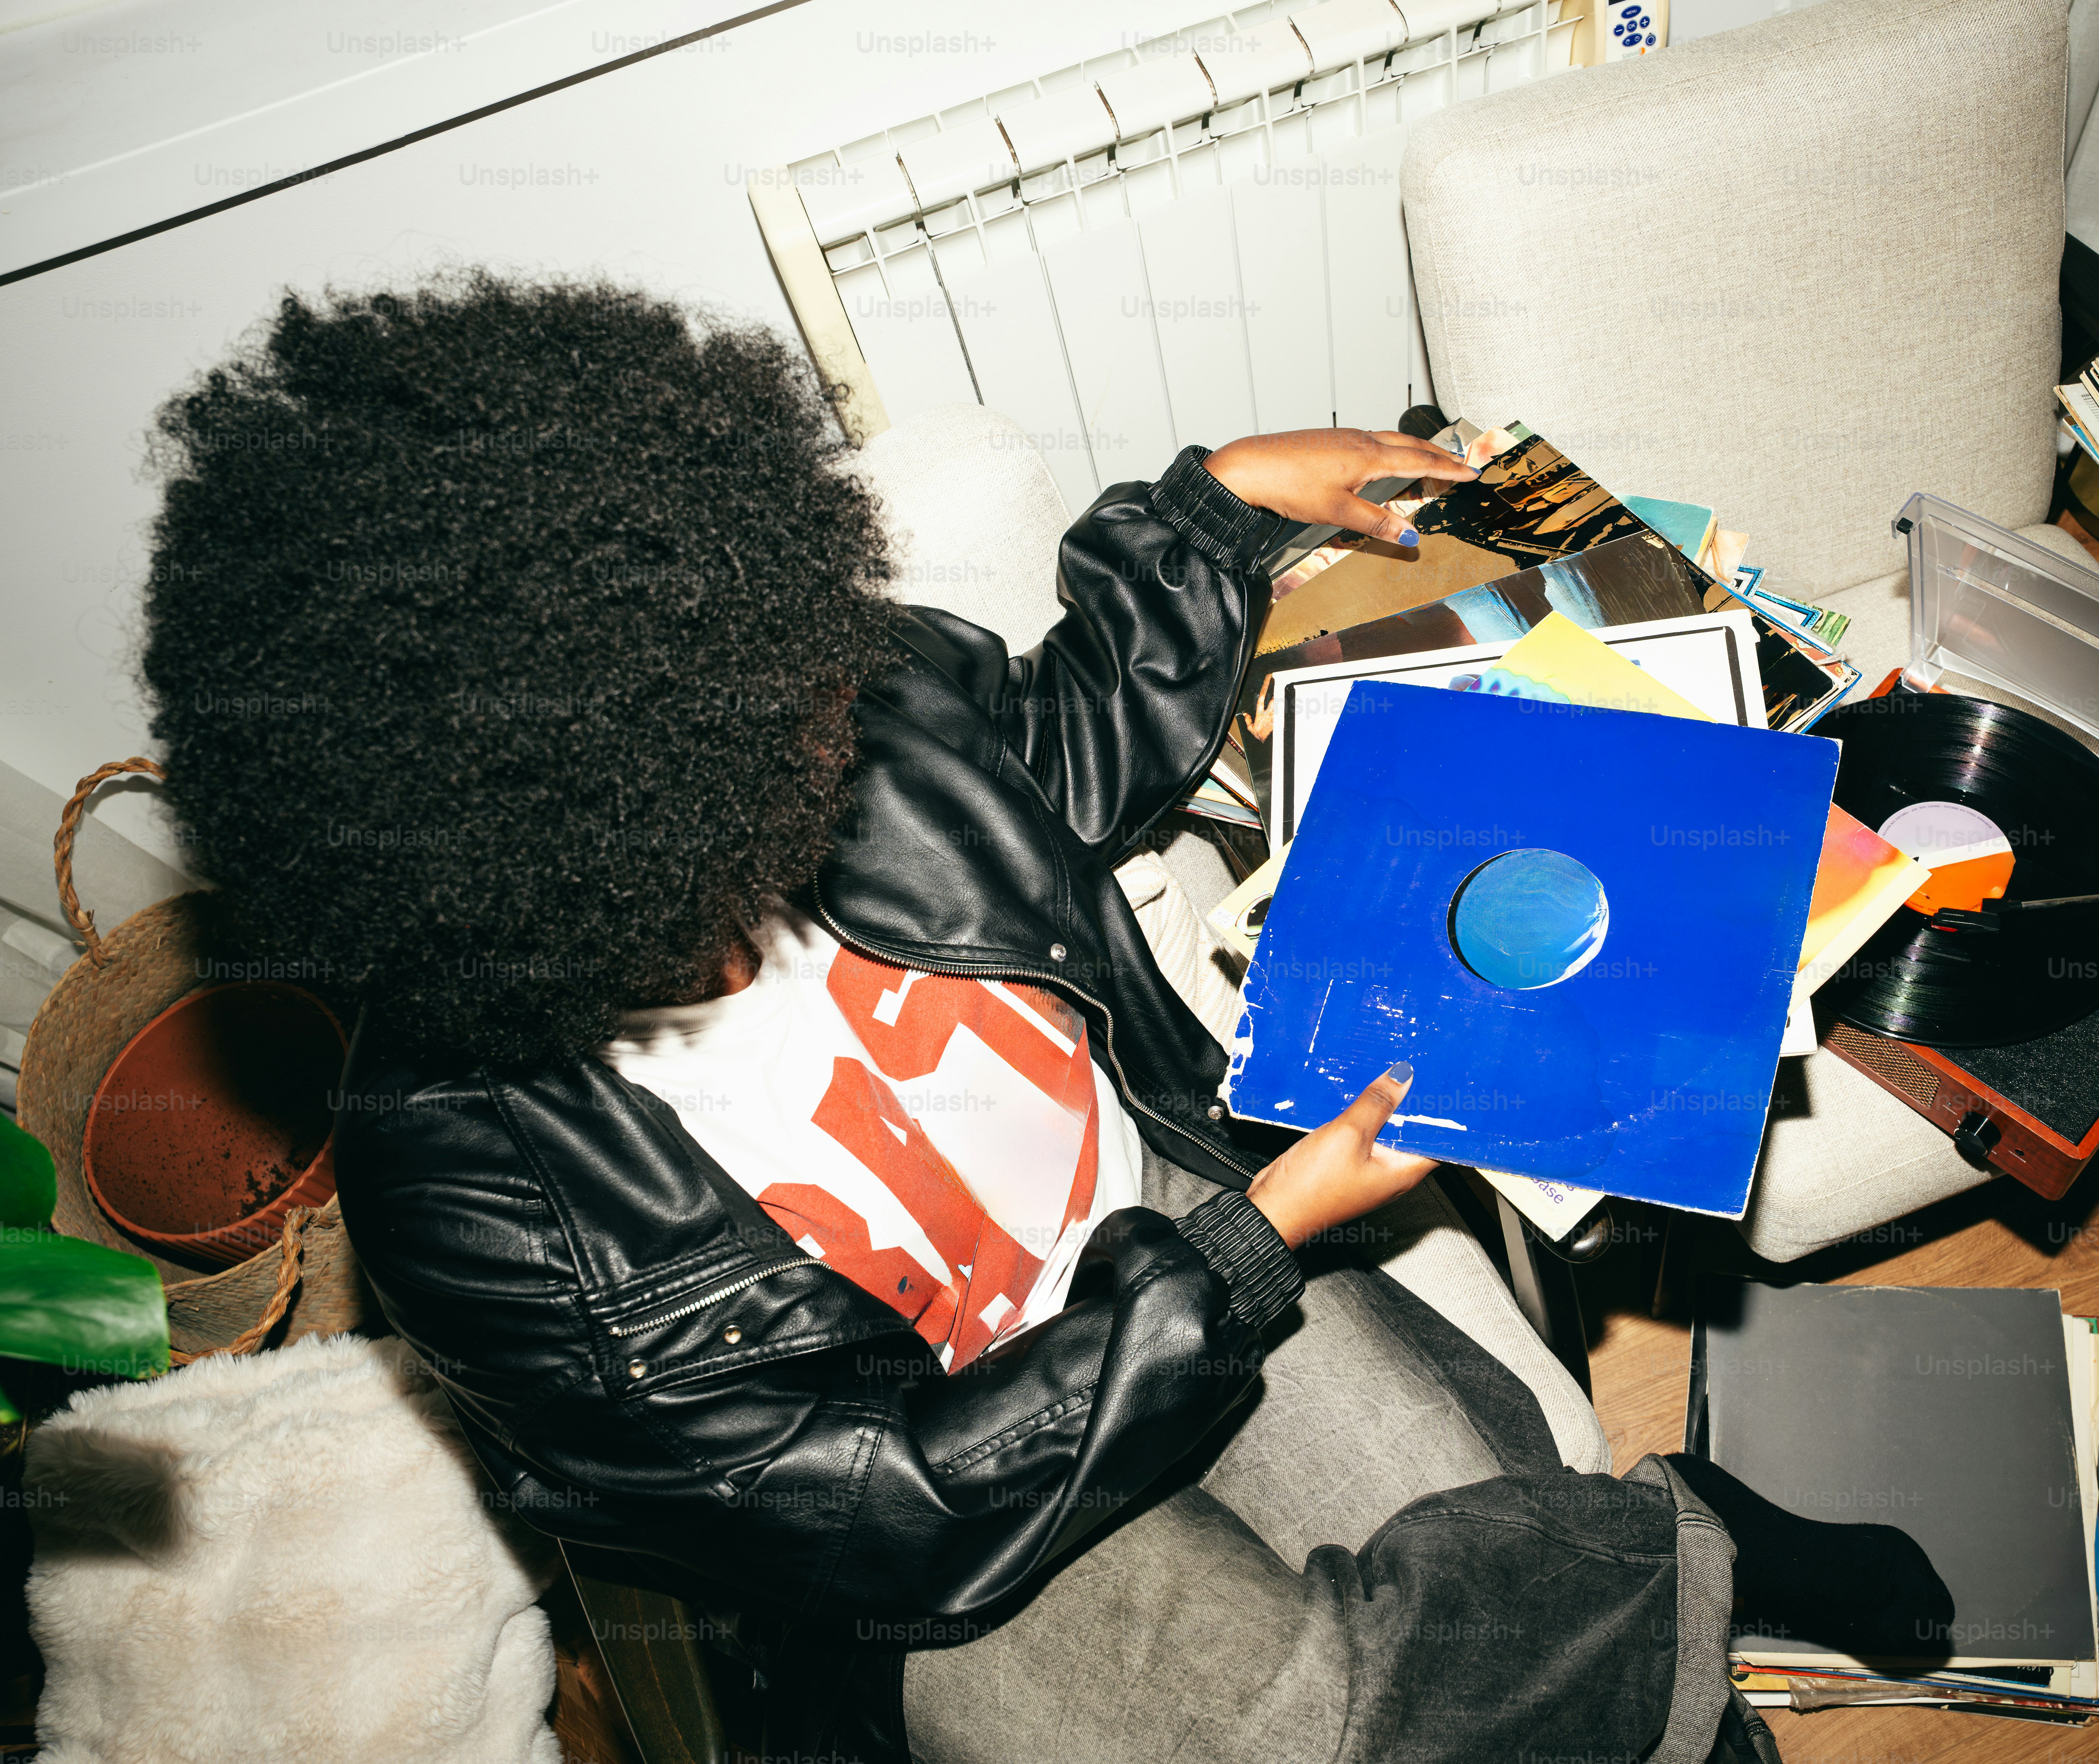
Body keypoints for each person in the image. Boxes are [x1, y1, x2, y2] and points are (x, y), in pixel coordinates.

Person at [137, 273, 1928, 1764]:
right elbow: (887, 1501)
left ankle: (1685, 1668)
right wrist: (1250, 1250)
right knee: (1315, 1729)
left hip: (1143, 1211)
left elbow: (1050, 750)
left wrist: (1217, 505)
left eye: (795, 741)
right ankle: (1698, 1548)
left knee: (1478, 1483)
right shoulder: (471, 1200)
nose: (804, 787)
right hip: (941, 1466)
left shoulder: (811, 697)